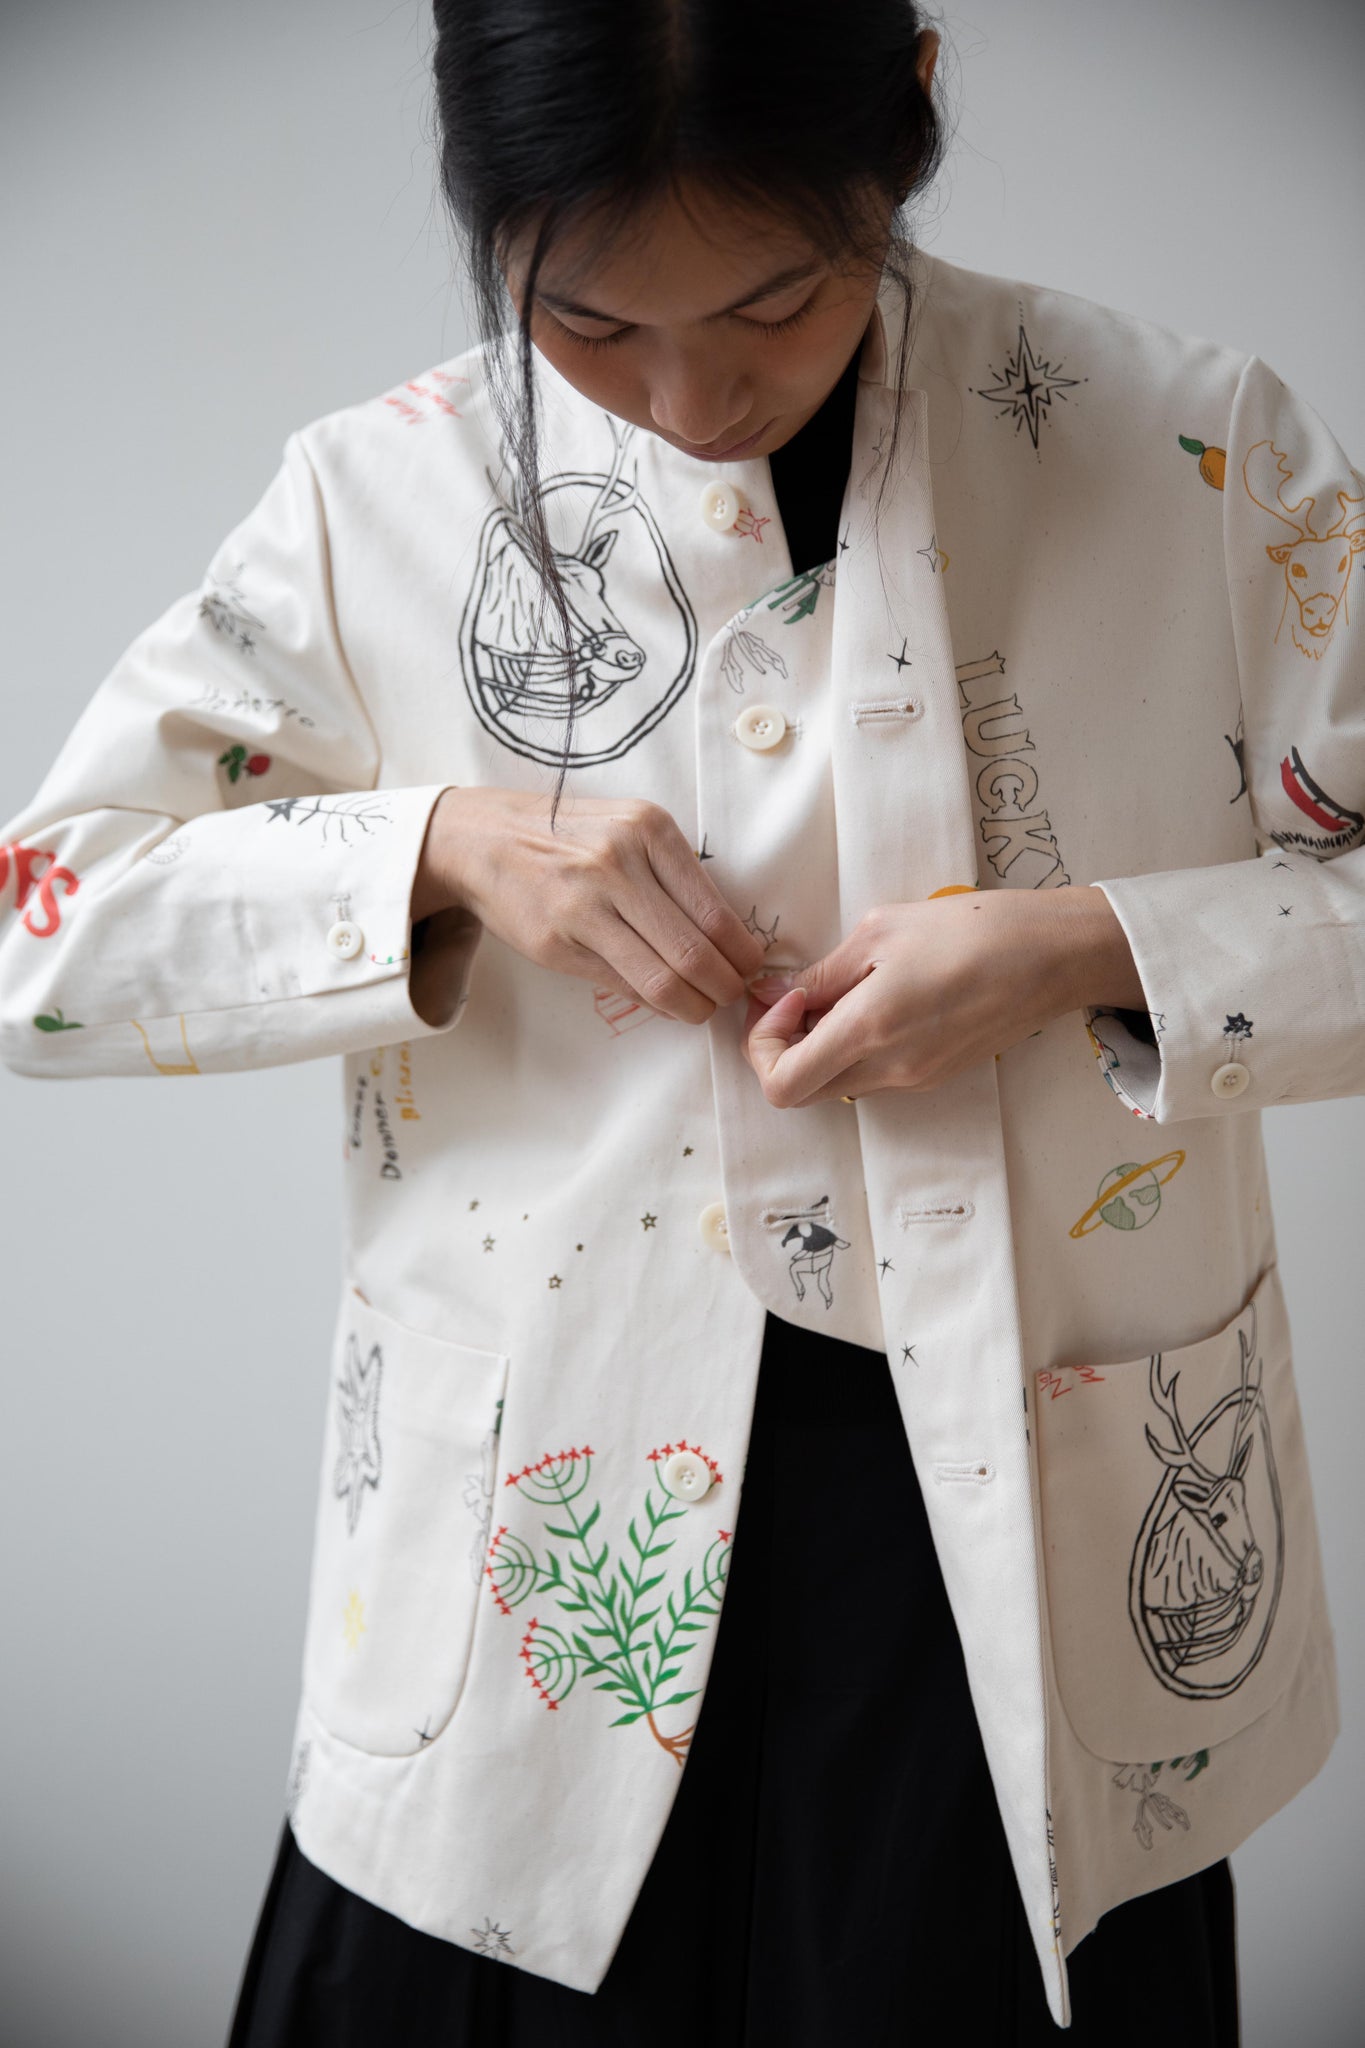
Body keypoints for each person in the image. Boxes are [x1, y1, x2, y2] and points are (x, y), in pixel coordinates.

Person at [0, 2, 1355, 2041]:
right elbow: (45, 933)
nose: (689, 397)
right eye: (585, 325)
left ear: (906, 112)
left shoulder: (1187, 445)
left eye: (773, 304)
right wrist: (440, 849)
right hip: (543, 1570)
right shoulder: (377, 499)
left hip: (1016, 1548)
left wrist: (1083, 948)